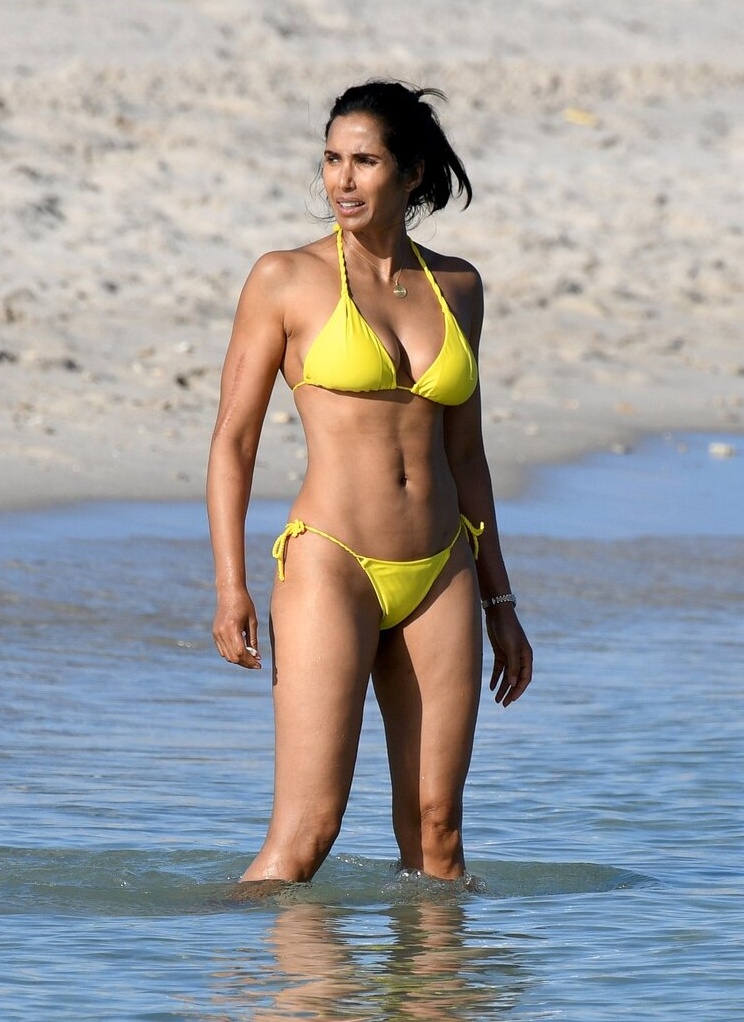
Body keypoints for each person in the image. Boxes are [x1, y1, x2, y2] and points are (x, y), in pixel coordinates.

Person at [207, 80, 533, 886]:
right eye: (331, 160)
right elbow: (234, 442)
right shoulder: (285, 278)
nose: (342, 181)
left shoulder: (460, 287)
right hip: (332, 563)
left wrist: (500, 601)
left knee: (439, 834)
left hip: (441, 568)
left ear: (412, 172)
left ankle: (437, 972)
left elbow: (467, 457)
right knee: (308, 832)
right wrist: (230, 586)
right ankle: (232, 966)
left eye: (365, 161)